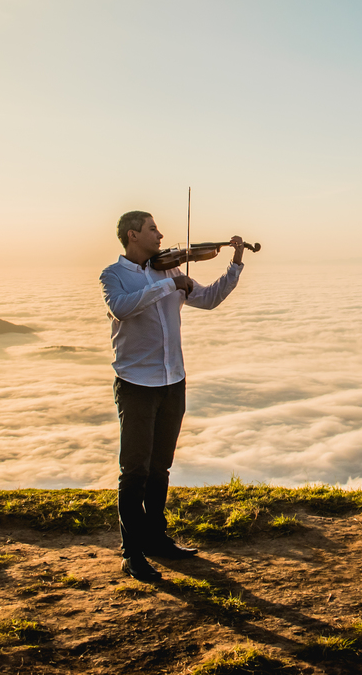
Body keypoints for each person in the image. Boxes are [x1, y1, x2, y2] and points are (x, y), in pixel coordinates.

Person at [100, 211, 249, 582]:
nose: (161, 235)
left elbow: (209, 299)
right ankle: (132, 553)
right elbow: (122, 307)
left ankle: (156, 539)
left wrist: (235, 264)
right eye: (153, 229)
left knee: (159, 468)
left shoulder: (169, 271)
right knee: (134, 471)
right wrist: (169, 285)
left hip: (172, 383)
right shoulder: (113, 275)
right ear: (133, 235)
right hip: (136, 385)